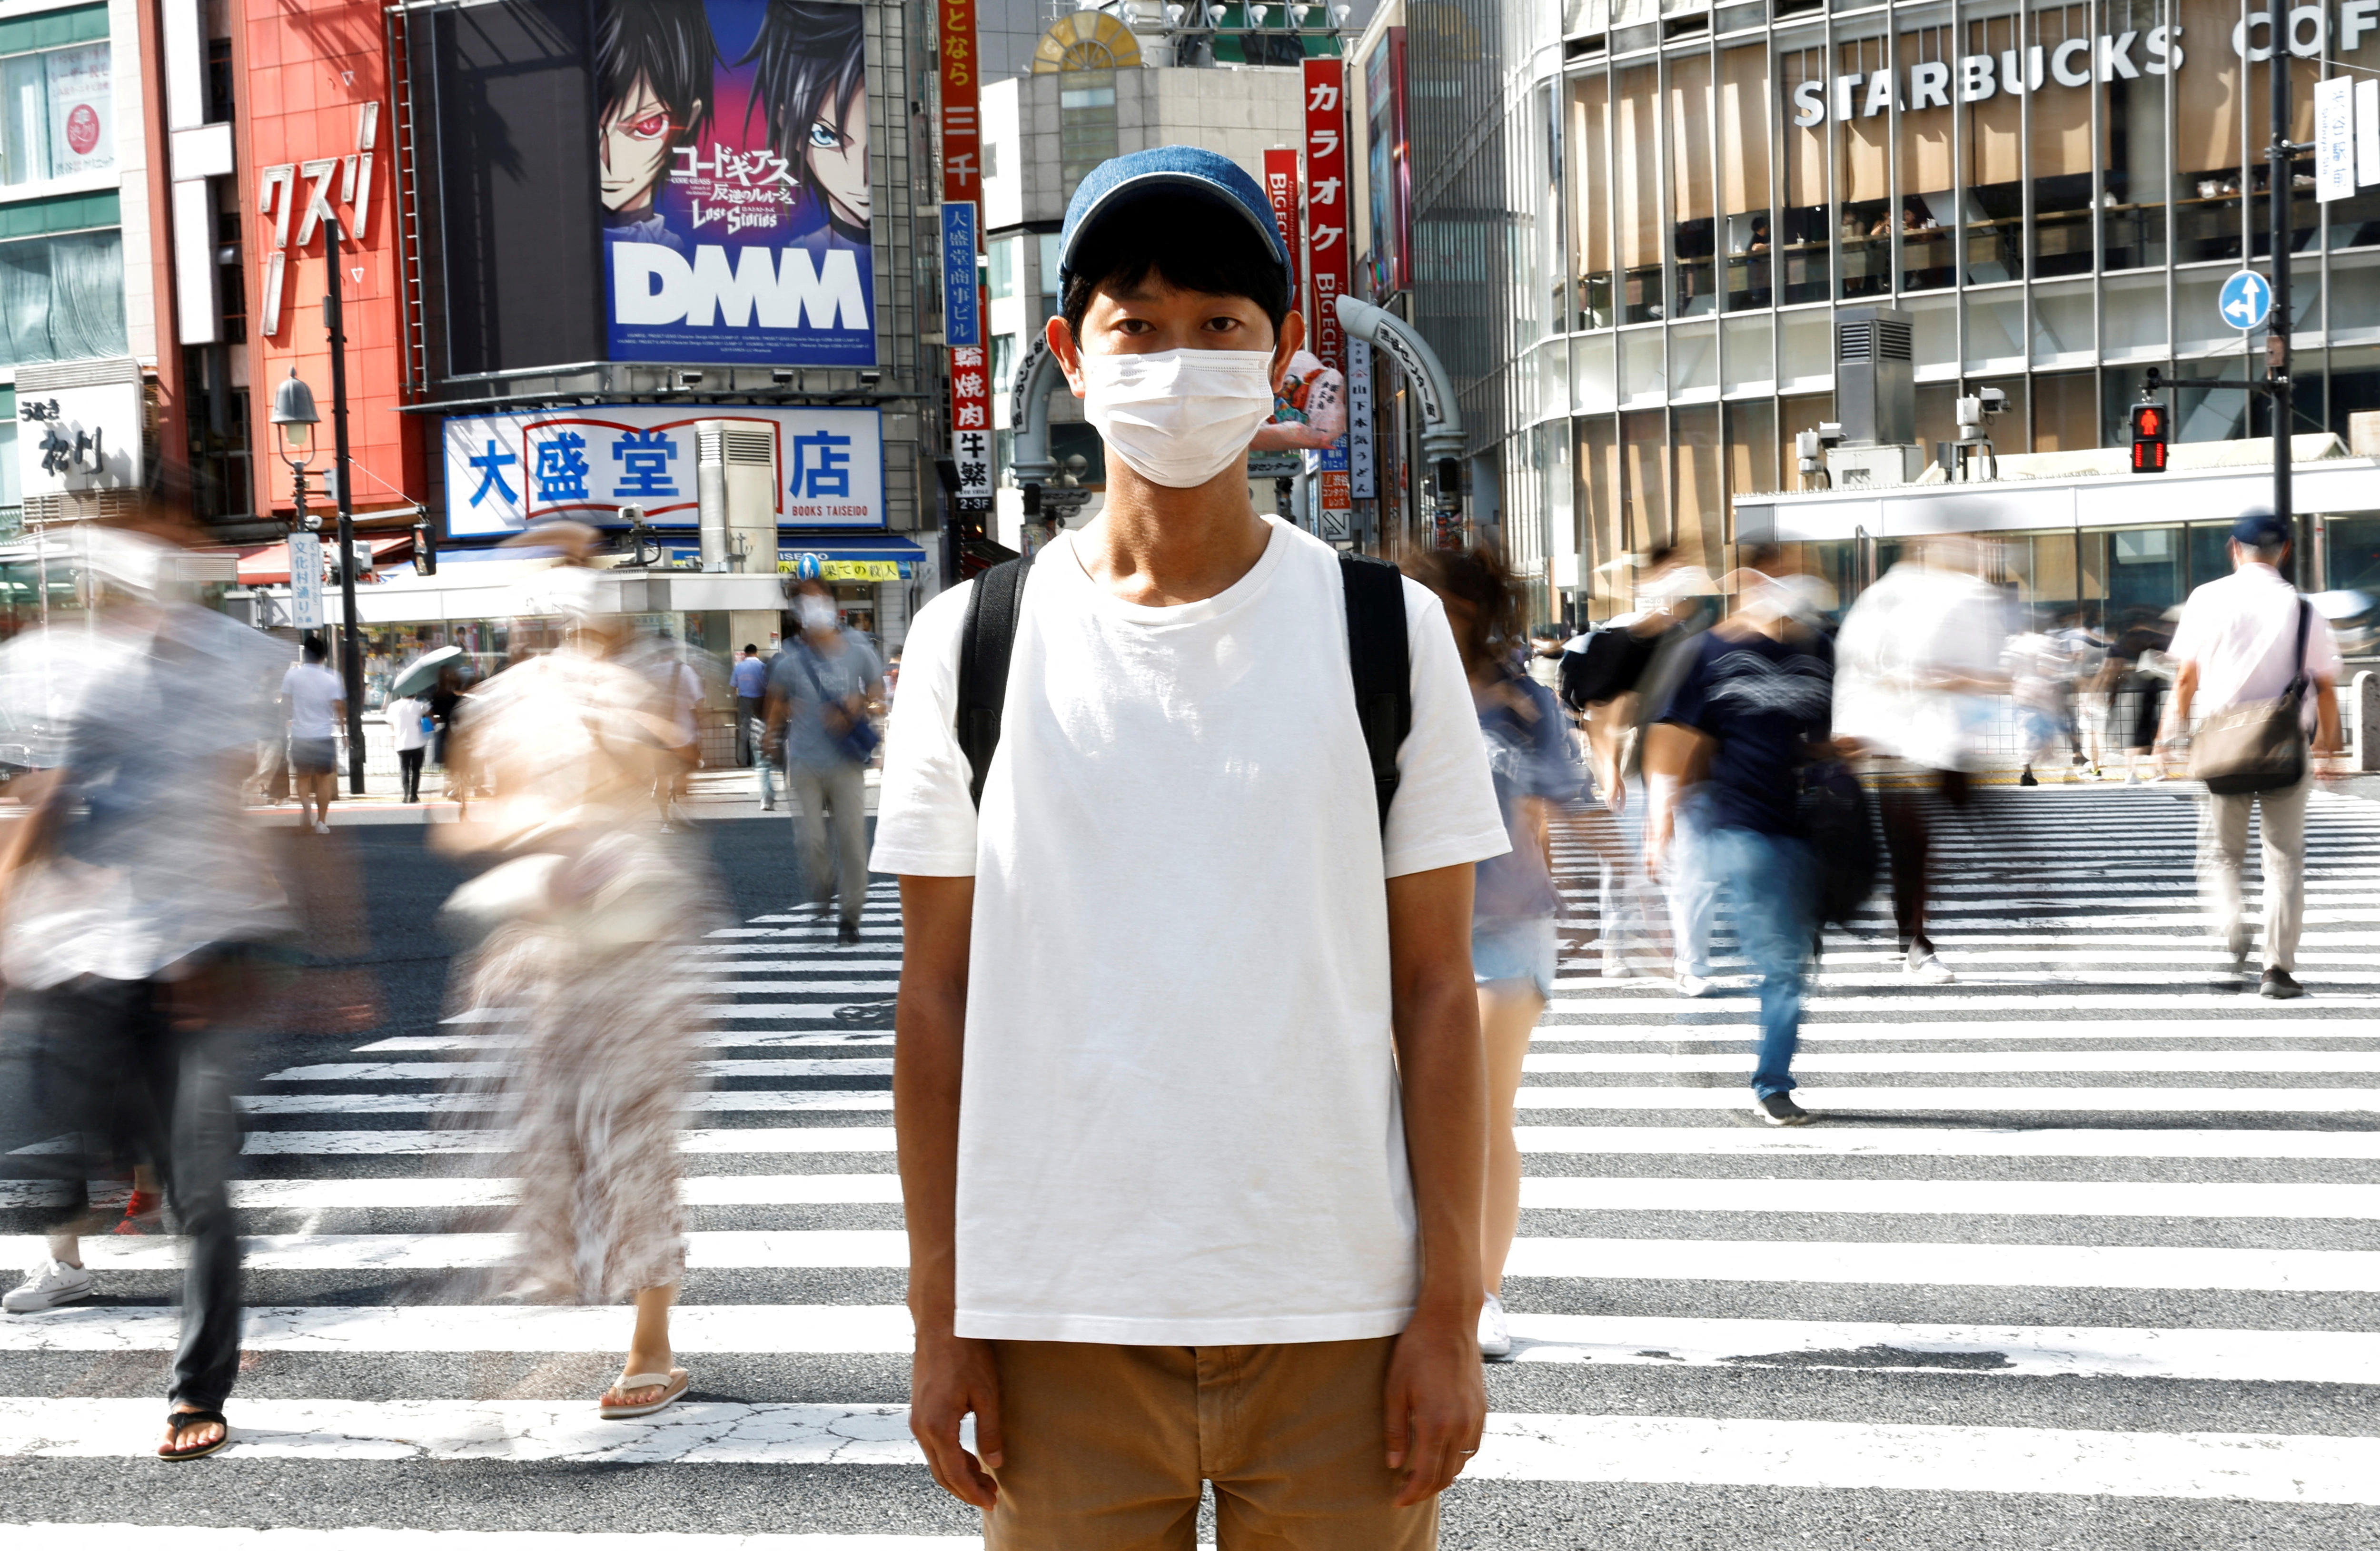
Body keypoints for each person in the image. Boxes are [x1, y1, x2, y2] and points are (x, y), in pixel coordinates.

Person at [873, 146, 1506, 1546]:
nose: (1179, 360)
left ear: (1276, 355)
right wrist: (940, 1316)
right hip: (1060, 1321)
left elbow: (1437, 994)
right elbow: (935, 1001)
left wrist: (1448, 1317)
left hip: (1340, 1312)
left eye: (1219, 326)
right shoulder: (969, 644)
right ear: (1068, 356)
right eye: (1135, 325)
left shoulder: (1379, 631)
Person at [0, 522, 290, 1461]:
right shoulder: (92, 678)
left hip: (205, 953)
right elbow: (50, 799)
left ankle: (194, 1388)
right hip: (102, 954)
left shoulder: (220, 671)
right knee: (81, 1123)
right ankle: (110, 1190)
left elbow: (238, 803)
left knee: (201, 1189)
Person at [433, 563, 720, 1421]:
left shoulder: (637, 688)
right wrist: (534, 829)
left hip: (642, 947)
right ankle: (569, 1290)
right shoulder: (503, 704)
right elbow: (458, 818)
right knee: (552, 1143)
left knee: (637, 1145)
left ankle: (651, 1342)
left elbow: (679, 770)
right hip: (560, 950)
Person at [1408, 548, 1583, 1363]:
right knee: (1397, 1111)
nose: (1436, 623)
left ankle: (1480, 1293)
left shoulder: (1522, 704)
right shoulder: (1377, 692)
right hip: (1397, 927)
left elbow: (1554, 809)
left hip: (1506, 924)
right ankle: (1407, 1280)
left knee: (1478, 1109)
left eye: (1451, 609)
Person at [1644, 573, 1844, 1127]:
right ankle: (1771, 1084)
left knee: (1791, 959)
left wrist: (1849, 753)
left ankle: (1767, 1070)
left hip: (1801, 827)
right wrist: (1659, 816)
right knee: (1781, 963)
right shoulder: (1709, 653)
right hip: (1739, 824)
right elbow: (1677, 736)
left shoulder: (1817, 654)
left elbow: (1819, 736)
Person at [2161, 511, 2343, 999]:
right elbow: (2324, 689)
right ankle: (2276, 969)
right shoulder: (2306, 609)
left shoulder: (2207, 599)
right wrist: (2331, 750)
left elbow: (2184, 678)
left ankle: (2229, 929)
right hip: (2286, 747)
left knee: (2221, 853)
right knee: (2283, 859)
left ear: (2233, 548)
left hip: (2223, 747)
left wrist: (2170, 735)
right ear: (2283, 551)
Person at [1831, 539, 2007, 984]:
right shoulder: (1887, 599)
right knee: (1909, 850)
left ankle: (1912, 937)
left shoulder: (1961, 597)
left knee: (1919, 850)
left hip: (1941, 745)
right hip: (1895, 745)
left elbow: (1984, 672)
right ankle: (1914, 941)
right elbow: (1864, 670)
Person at [767, 581, 882, 945]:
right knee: (812, 840)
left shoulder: (859, 649)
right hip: (804, 761)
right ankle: (823, 884)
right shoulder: (790, 657)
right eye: (807, 600)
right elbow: (775, 703)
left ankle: (850, 917)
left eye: (821, 598)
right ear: (797, 611)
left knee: (853, 842)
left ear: (834, 603)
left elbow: (879, 695)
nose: (815, 605)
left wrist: (858, 704)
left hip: (846, 761)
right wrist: (771, 734)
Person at [596, 0, 714, 249]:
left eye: (647, 126)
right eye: (590, 132)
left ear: (689, 119)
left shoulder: (679, 249)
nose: (609, 164)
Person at [281, 635, 345, 835]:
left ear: (305, 654)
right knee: (324, 779)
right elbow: (339, 708)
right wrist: (344, 732)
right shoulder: (333, 677)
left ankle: (306, 804)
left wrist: (287, 723)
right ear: (324, 656)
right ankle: (322, 822)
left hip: (300, 735)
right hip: (323, 735)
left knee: (302, 778)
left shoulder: (292, 676)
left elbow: (285, 704)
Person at [386, 688, 432, 803]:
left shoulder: (393, 706)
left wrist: (393, 738)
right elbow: (431, 715)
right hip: (418, 742)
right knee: (416, 770)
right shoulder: (420, 705)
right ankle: (414, 795)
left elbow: (390, 724)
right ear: (415, 693)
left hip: (401, 743)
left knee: (404, 769)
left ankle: (406, 794)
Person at [732, 642, 770, 766]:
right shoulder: (762, 666)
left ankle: (742, 762)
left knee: (744, 731)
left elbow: (733, 685)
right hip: (761, 700)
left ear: (745, 654)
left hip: (744, 700)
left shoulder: (739, 667)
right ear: (756, 653)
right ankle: (758, 762)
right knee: (760, 730)